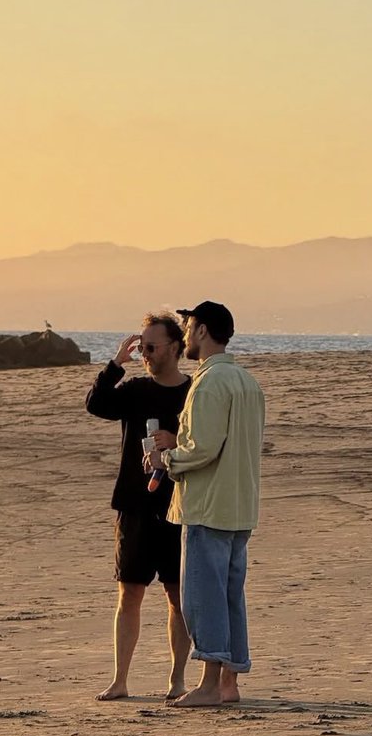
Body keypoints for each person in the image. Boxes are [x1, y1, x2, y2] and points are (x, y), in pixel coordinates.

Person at [147, 301, 265, 708]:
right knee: (230, 595)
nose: (184, 335)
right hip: (239, 504)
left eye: (189, 326)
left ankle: (212, 683)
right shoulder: (247, 381)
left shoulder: (211, 381)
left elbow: (203, 448)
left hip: (209, 504)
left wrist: (168, 459)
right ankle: (229, 681)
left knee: (202, 597)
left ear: (201, 331)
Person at [85, 312, 191, 701]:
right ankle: (120, 679)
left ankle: (177, 679)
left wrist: (175, 439)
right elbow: (96, 404)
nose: (144, 353)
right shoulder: (133, 390)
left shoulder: (194, 392)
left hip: (180, 506)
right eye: (140, 347)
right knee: (129, 592)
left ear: (175, 348)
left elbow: (211, 442)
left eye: (151, 346)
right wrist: (116, 363)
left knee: (178, 596)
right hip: (134, 504)